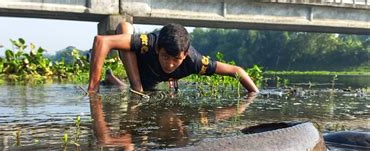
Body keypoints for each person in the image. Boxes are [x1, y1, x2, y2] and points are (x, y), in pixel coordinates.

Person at [87, 21, 259, 94]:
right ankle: (133, 85)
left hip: (152, 80)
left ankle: (112, 79)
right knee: (124, 26)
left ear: (184, 55)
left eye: (176, 59)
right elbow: (101, 41)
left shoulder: (195, 61)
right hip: (137, 66)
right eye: (165, 56)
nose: (169, 64)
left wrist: (255, 94)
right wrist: (93, 90)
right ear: (158, 48)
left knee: (142, 91)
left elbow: (237, 71)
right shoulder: (149, 42)